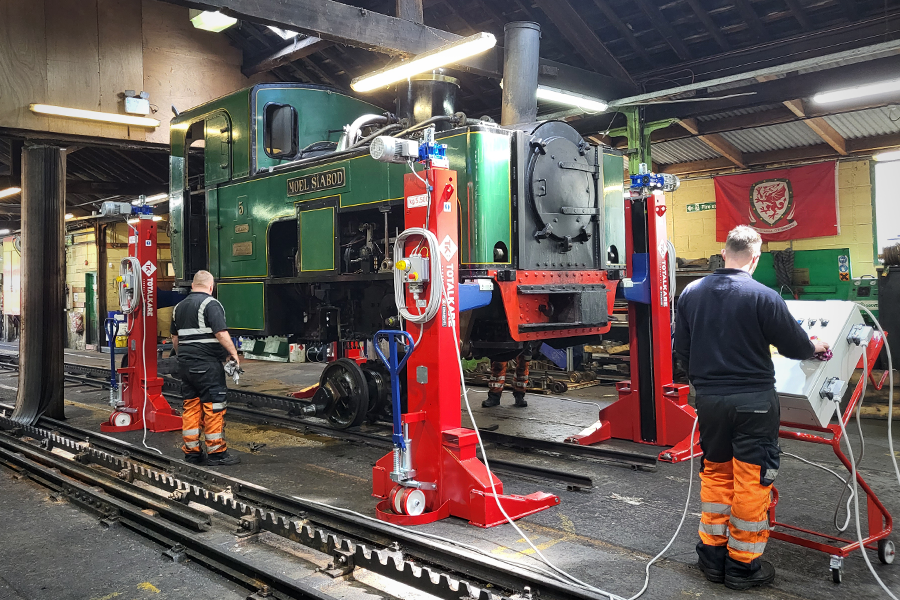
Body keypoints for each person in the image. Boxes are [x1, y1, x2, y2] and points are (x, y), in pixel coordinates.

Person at [674, 226, 829, 590]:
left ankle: (712, 558)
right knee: (751, 481)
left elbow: (681, 349)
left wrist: (705, 382)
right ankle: (743, 566)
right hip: (754, 403)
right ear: (755, 258)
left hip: (709, 401)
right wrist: (815, 345)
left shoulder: (690, 293)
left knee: (716, 474)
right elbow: (794, 346)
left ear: (723, 253)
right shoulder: (763, 295)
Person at [171, 270, 242, 466]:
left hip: (186, 365)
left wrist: (184, 357)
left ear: (193, 285)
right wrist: (233, 353)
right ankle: (216, 452)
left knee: (191, 407)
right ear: (211, 287)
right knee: (213, 407)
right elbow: (220, 332)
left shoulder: (178, 307)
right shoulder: (211, 304)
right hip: (207, 366)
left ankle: (192, 453)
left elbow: (175, 339)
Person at [482, 343, 534, 408]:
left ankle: (519, 397)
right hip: (503, 338)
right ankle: (494, 397)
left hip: (523, 339)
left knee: (522, 366)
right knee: (498, 365)